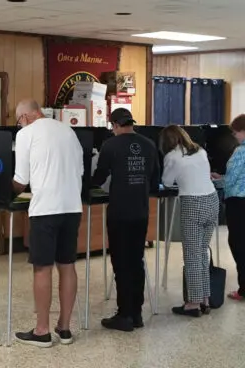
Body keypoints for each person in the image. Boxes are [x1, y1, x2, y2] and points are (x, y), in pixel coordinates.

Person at [13, 99, 83, 348]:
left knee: (42, 268)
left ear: (25, 116)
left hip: (45, 209)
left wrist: (5, 189)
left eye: (18, 120)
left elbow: (21, 180)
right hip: (72, 207)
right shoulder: (68, 130)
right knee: (67, 265)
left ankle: (41, 330)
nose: (19, 124)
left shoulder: (26, 134)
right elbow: (80, 170)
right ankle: (64, 328)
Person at [92, 108, 160, 332]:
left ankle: (124, 315)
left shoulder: (110, 145)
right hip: (140, 212)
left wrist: (83, 183)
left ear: (114, 125)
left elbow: (100, 176)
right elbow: (155, 179)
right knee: (136, 261)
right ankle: (137, 313)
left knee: (121, 264)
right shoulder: (149, 144)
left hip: (119, 213)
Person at [160, 125, 219, 316]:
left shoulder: (172, 157)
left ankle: (193, 304)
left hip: (193, 203)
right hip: (212, 200)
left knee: (192, 256)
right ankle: (205, 299)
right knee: (202, 252)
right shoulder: (200, 150)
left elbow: (167, 182)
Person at [212, 114, 245, 301]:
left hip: (239, 203)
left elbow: (231, 180)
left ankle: (243, 289)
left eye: (236, 132)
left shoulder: (241, 151)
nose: (235, 136)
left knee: (239, 245)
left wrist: (218, 180)